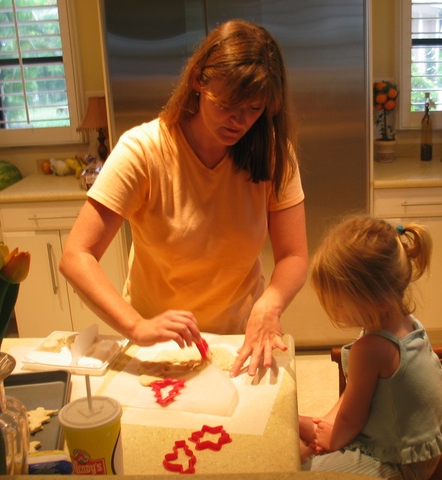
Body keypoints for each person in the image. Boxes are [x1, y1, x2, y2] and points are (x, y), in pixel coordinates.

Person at [60, 19, 308, 377]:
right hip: (159, 346)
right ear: (198, 81)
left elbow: (294, 255)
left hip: (239, 340)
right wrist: (135, 326)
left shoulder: (271, 153)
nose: (239, 121)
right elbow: (76, 255)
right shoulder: (143, 150)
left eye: (254, 110)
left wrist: (270, 304)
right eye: (226, 105)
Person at [299, 215, 442, 479]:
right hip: (423, 446)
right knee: (313, 433)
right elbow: (356, 393)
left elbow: (352, 420)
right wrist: (327, 423)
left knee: (303, 467)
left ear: (378, 301)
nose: (333, 309)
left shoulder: (371, 349)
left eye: (338, 302)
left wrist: (331, 441)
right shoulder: (405, 322)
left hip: (401, 462)